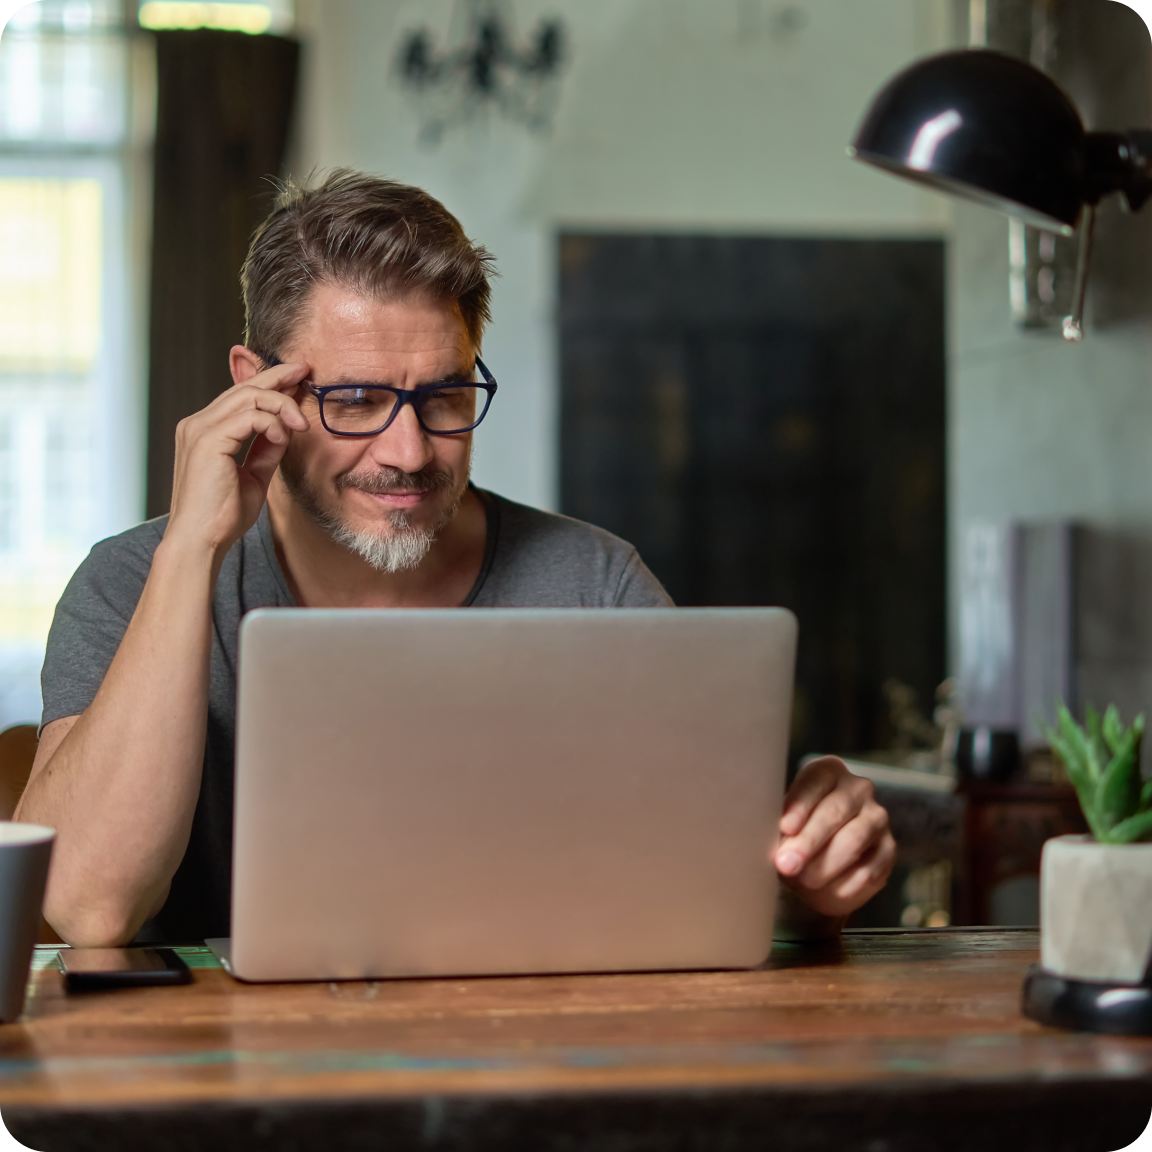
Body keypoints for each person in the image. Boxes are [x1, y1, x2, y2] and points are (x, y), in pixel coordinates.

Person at [15, 171, 895, 947]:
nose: (408, 451)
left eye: (445, 396)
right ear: (254, 387)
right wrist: (191, 549)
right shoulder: (132, 581)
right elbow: (91, 907)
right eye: (356, 400)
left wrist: (808, 879)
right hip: (214, 1070)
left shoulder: (594, 585)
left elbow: (712, 887)